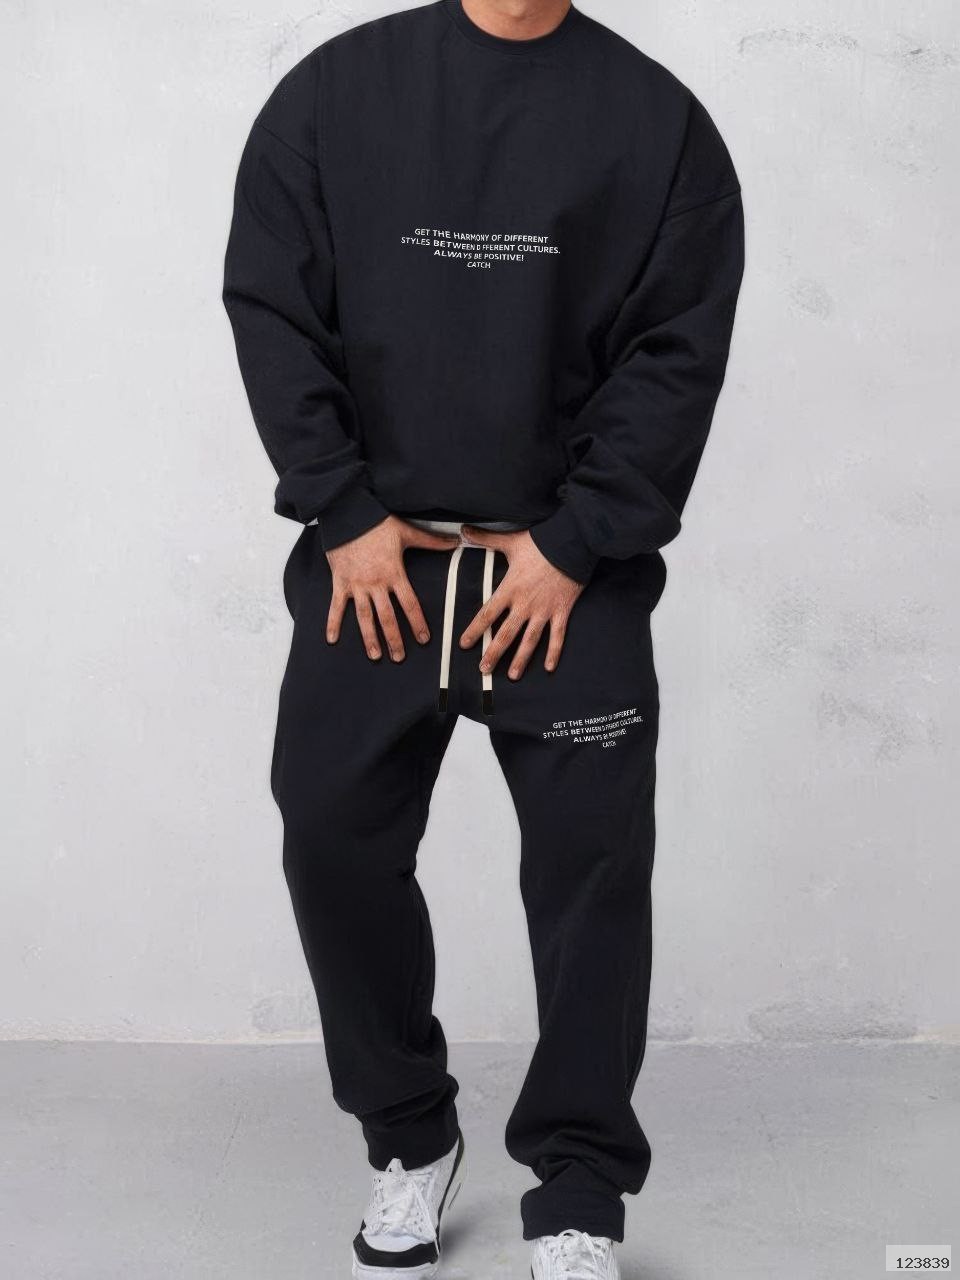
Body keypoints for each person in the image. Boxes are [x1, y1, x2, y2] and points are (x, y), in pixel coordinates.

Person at [221, 0, 743, 1273]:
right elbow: (273, 307)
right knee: (331, 838)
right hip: (377, 569)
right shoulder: (335, 94)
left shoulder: (659, 123)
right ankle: (409, 1134)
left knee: (591, 879)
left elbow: (675, 354)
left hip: (564, 574)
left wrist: (579, 540)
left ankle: (579, 1189)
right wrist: (341, 510)